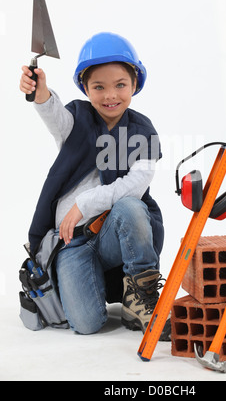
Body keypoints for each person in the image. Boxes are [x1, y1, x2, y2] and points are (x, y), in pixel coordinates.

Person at [19, 32, 170, 339]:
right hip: (72, 243)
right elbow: (53, 114)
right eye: (98, 87)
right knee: (87, 324)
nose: (110, 95)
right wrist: (40, 91)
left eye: (120, 85)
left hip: (113, 232)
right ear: (85, 88)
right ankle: (93, 284)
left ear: (134, 85)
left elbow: (136, 184)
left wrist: (85, 204)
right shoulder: (76, 119)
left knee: (131, 205)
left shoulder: (142, 131)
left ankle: (139, 297)